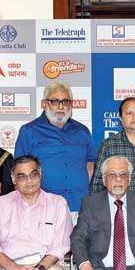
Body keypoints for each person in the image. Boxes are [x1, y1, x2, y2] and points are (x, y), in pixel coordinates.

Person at [15, 81, 97, 221]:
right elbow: (19, 170)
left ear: (71, 105)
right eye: (55, 101)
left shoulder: (82, 131)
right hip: (43, 206)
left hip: (79, 205)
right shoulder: (29, 131)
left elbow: (90, 166)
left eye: (65, 101)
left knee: (77, 243)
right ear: (45, 103)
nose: (60, 106)